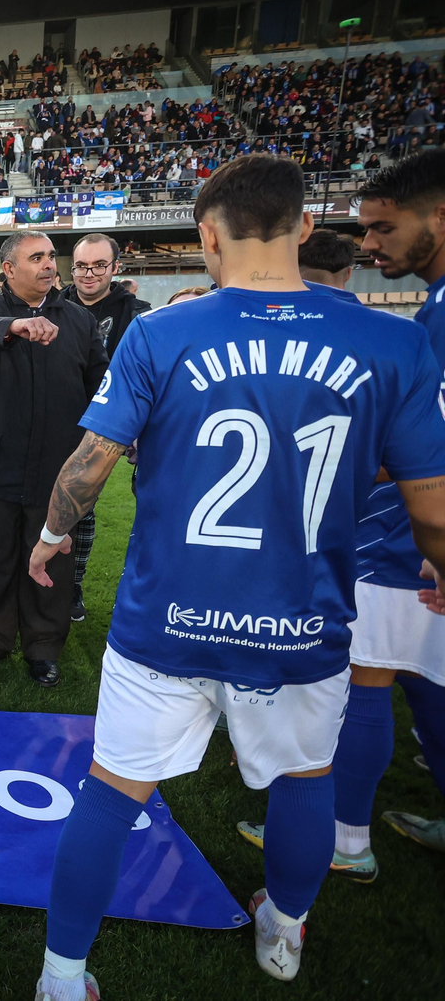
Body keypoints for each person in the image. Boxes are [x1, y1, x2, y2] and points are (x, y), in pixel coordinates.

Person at [23, 154, 445, 1000]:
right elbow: (431, 506)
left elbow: (91, 462)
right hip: (301, 621)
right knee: (303, 781)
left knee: (111, 792)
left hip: (165, 620)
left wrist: (51, 534)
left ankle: (62, 976)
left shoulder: (160, 332)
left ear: (207, 236)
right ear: (300, 228)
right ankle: (283, 931)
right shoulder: (393, 340)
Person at [238, 151, 445, 872]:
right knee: (419, 680)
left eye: (385, 227)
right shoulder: (425, 315)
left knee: (369, 679)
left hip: (395, 538)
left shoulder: (427, 324)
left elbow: (416, 453)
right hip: (410, 537)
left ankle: (344, 839)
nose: (372, 244)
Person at [0, 232, 108, 687]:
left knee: (50, 560)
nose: (50, 264)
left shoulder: (78, 320)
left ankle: (43, 647)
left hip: (57, 468)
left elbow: (100, 386)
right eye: (37, 257)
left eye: (52, 256)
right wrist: (11, 328)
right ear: (9, 269)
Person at [61, 233, 152, 623]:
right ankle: (45, 581)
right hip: (54, 421)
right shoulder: (53, 304)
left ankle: (72, 585)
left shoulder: (139, 314)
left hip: (107, 429)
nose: (89, 273)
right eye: (82, 265)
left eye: (99, 265)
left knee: (82, 506)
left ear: (116, 267)